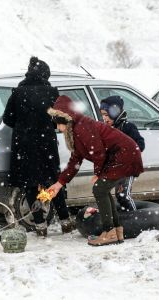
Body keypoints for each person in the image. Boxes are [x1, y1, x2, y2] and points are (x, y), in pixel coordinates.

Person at [47, 95, 144, 246]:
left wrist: (97, 173)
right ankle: (117, 231)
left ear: (66, 118)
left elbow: (97, 152)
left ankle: (109, 232)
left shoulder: (82, 127)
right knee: (102, 190)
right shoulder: (76, 129)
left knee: (99, 189)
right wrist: (59, 183)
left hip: (124, 155)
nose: (58, 128)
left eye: (58, 124)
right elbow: (75, 161)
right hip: (121, 156)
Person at [2, 57, 74, 237]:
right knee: (52, 182)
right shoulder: (51, 92)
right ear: (44, 75)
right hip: (46, 145)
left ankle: (40, 225)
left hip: (24, 146)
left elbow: (7, 119)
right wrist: (45, 125)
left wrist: (24, 125)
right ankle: (65, 220)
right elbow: (61, 117)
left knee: (30, 185)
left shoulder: (17, 93)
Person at [100, 95, 145, 211]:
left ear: (115, 112)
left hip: (128, 168)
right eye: (102, 115)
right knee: (119, 197)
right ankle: (124, 218)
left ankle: (136, 218)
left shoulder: (128, 127)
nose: (104, 118)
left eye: (106, 115)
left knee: (124, 196)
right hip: (117, 169)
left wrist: (126, 152)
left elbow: (140, 144)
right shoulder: (107, 130)